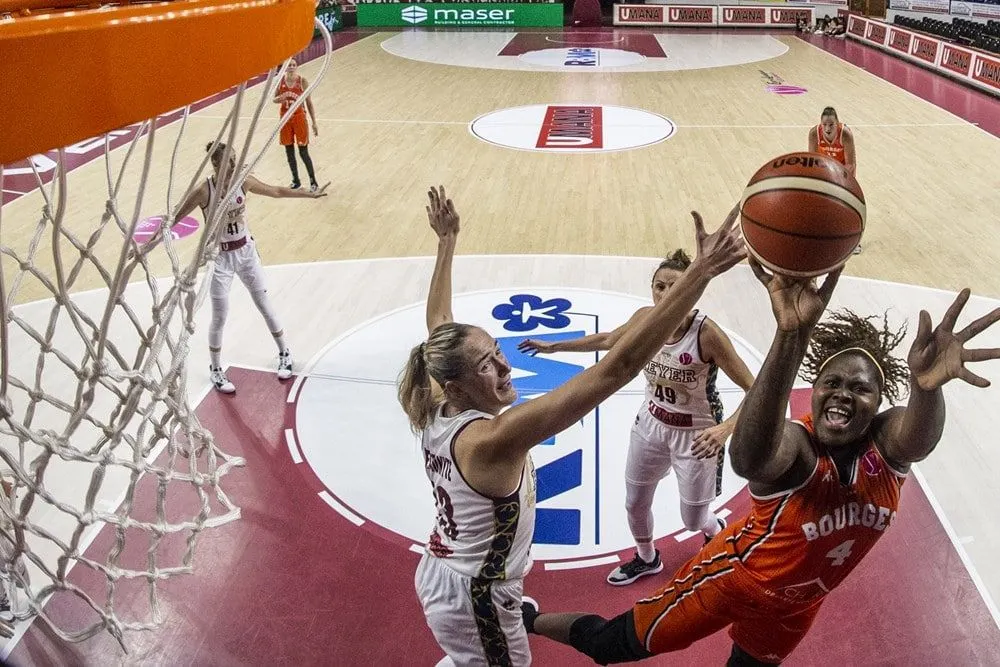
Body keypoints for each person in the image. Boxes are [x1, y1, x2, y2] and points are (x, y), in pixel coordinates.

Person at [523, 258, 1000, 666]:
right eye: (831, 383)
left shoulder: (887, 445)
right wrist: (790, 336)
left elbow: (918, 439)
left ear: (878, 404)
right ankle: (530, 619)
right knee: (610, 645)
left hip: (797, 606)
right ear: (814, 390)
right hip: (731, 579)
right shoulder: (798, 444)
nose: (842, 394)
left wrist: (926, 388)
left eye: (860, 388)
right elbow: (749, 458)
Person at [397, 186, 746, 667]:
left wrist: (446, 242)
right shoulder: (494, 440)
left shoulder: (439, 400)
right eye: (487, 365)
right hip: (475, 592)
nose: (506, 367)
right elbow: (615, 370)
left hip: (449, 567)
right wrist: (700, 274)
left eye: (498, 351)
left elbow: (439, 323)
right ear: (457, 385)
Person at [518, 250, 755, 586]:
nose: (666, 293)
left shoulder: (706, 334)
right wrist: (554, 347)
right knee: (634, 503)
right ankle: (646, 558)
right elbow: (608, 340)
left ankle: (715, 531)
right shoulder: (645, 318)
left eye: (675, 286)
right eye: (659, 286)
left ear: (691, 289)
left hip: (697, 434)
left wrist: (725, 429)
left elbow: (755, 389)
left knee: (693, 519)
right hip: (650, 424)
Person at [171, 142, 329, 393]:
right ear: (216, 164)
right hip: (220, 258)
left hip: (246, 252)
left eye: (235, 159)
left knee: (263, 303)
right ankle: (216, 369)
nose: (235, 164)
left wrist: (309, 194)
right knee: (220, 315)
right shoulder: (204, 191)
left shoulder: (243, 181)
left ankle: (285, 353)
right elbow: (174, 217)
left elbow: (276, 191)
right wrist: (147, 243)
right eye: (229, 161)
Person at [808, 106, 860, 253]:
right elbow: (812, 160)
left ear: (837, 124)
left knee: (847, 207)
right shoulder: (814, 133)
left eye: (831, 125)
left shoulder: (845, 134)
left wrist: (838, 180)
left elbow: (851, 163)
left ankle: (854, 241)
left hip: (844, 172)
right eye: (824, 124)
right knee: (819, 205)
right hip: (825, 171)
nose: (828, 128)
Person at [274, 58, 320, 192]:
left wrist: (314, 122)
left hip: (299, 118)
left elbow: (309, 103)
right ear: (285, 67)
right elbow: (274, 99)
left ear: (297, 67)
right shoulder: (280, 81)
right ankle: (296, 180)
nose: (292, 67)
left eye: (294, 65)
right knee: (289, 152)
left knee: (303, 152)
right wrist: (279, 99)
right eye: (289, 65)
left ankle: (313, 182)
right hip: (285, 118)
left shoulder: (302, 81)